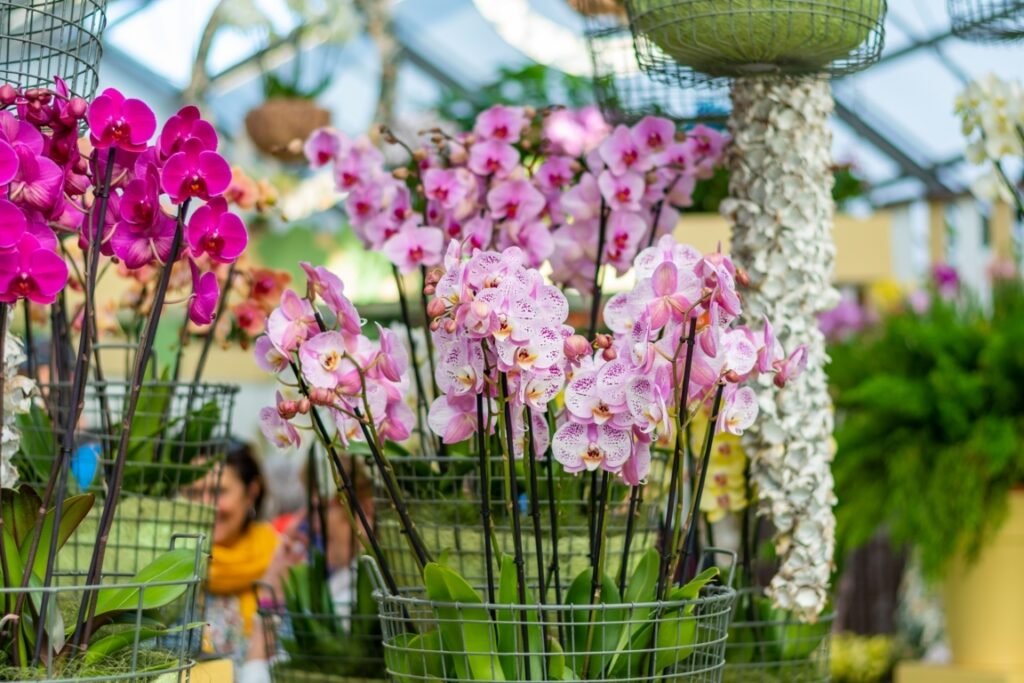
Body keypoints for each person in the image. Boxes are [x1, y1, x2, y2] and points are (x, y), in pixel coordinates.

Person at [188, 440, 305, 672]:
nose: (204, 505)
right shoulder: (170, 567)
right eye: (193, 492)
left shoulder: (281, 558)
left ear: (251, 492)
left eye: (217, 491)